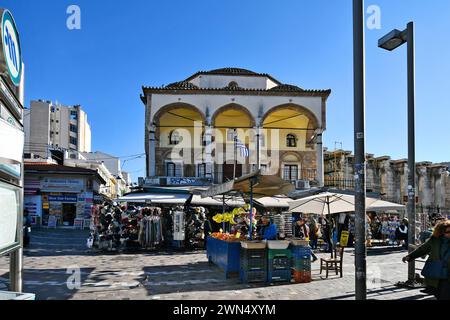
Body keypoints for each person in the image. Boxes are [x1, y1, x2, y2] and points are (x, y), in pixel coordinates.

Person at [402, 220, 450, 301]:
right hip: (436, 273)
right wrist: (410, 256)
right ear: (441, 232)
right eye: (448, 231)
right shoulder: (434, 240)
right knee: (439, 294)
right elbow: (422, 249)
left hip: (448, 274)